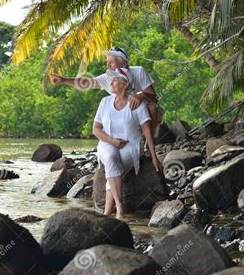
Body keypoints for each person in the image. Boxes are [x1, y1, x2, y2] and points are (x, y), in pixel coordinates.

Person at [50, 47, 161, 150]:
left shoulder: (139, 71)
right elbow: (86, 83)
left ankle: (148, 146)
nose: (108, 65)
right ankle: (113, 145)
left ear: (124, 63)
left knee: (153, 108)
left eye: (111, 62)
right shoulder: (108, 77)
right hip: (118, 117)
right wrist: (64, 80)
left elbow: (154, 97)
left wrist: (141, 95)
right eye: (107, 62)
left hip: (137, 114)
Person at [92, 68, 162, 219]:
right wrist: (112, 141)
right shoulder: (104, 102)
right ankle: (119, 208)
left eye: (115, 79)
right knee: (110, 157)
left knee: (114, 167)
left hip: (131, 146)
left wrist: (154, 156)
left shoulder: (136, 103)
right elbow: (96, 129)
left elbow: (147, 131)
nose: (111, 82)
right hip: (107, 143)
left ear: (125, 84)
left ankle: (106, 213)